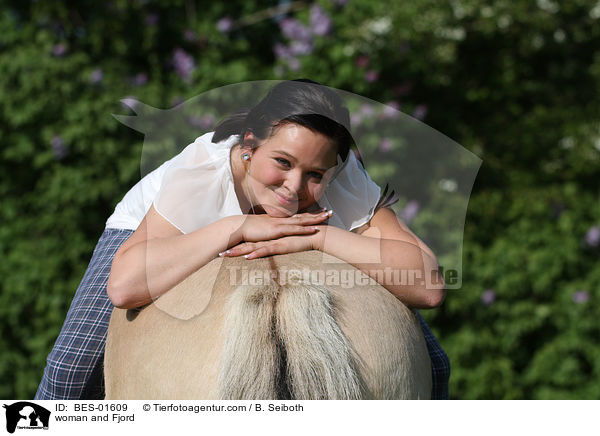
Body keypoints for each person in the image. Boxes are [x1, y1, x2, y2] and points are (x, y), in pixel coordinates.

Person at [35, 79, 450, 400]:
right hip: (156, 226)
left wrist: (322, 238)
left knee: (434, 363)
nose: (293, 187)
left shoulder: (342, 176)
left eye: (315, 176)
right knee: (71, 368)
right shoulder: (202, 171)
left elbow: (428, 287)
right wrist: (236, 227)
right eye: (282, 163)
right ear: (250, 143)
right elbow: (124, 286)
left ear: (335, 169)